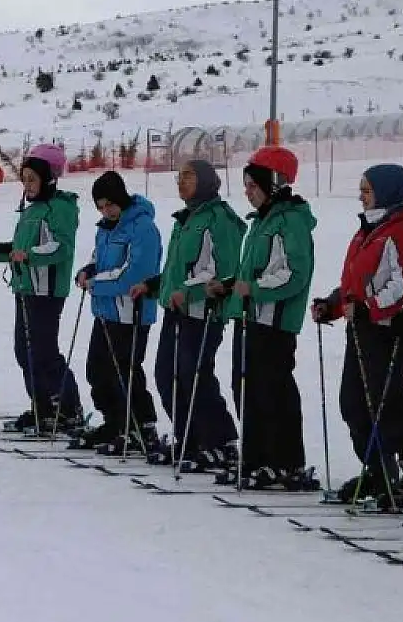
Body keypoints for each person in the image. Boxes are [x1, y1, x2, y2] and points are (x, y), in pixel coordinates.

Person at [207, 146, 320, 490]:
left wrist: (252, 289)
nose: (247, 191)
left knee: (273, 390)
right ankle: (256, 456)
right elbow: (253, 271)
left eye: (253, 184)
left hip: (275, 321)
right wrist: (230, 287)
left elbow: (293, 274)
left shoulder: (290, 222)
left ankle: (284, 461)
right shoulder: (261, 223)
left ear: (274, 184)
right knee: (247, 389)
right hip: (251, 318)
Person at [312, 163, 403, 507]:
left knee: (388, 404)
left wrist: (371, 307)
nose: (361, 196)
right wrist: (333, 304)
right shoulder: (369, 229)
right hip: (363, 331)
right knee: (353, 403)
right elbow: (356, 284)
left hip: (391, 331)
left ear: (387, 191)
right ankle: (377, 470)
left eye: (367, 190)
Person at [143, 159, 245, 470]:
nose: (181, 182)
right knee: (166, 373)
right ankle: (188, 435)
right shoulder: (185, 219)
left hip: (204, 311)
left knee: (194, 374)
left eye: (188, 176)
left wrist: (190, 292)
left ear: (205, 181)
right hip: (177, 310)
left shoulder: (219, 219)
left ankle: (217, 440)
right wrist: (157, 286)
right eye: (179, 176)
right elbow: (179, 269)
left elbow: (223, 270)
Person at [0, 144, 84, 435]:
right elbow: (20, 249)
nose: (27, 185)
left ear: (49, 178)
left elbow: (60, 247)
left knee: (43, 352)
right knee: (24, 352)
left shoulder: (59, 208)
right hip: (25, 287)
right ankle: (42, 407)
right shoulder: (32, 210)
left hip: (47, 290)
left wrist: (30, 256)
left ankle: (68, 408)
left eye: (32, 179)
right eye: (24, 179)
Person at [71, 171, 163, 455]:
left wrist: (95, 284)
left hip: (130, 312)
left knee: (124, 371)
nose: (106, 211)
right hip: (106, 311)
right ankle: (115, 421)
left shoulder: (142, 227)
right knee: (97, 370)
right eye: (100, 206)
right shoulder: (106, 228)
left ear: (121, 199)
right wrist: (86, 272)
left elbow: (132, 273)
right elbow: (98, 260)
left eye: (109, 204)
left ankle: (140, 424)